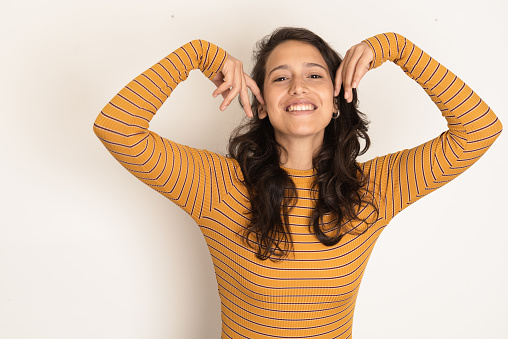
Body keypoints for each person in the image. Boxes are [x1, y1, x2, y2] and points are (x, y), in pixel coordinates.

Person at [93, 27, 502, 338]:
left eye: (314, 75)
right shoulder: (216, 185)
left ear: (339, 95)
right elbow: (117, 128)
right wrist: (198, 55)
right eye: (280, 78)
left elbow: (479, 130)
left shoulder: (374, 188)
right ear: (260, 104)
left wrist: (397, 48)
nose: (299, 87)